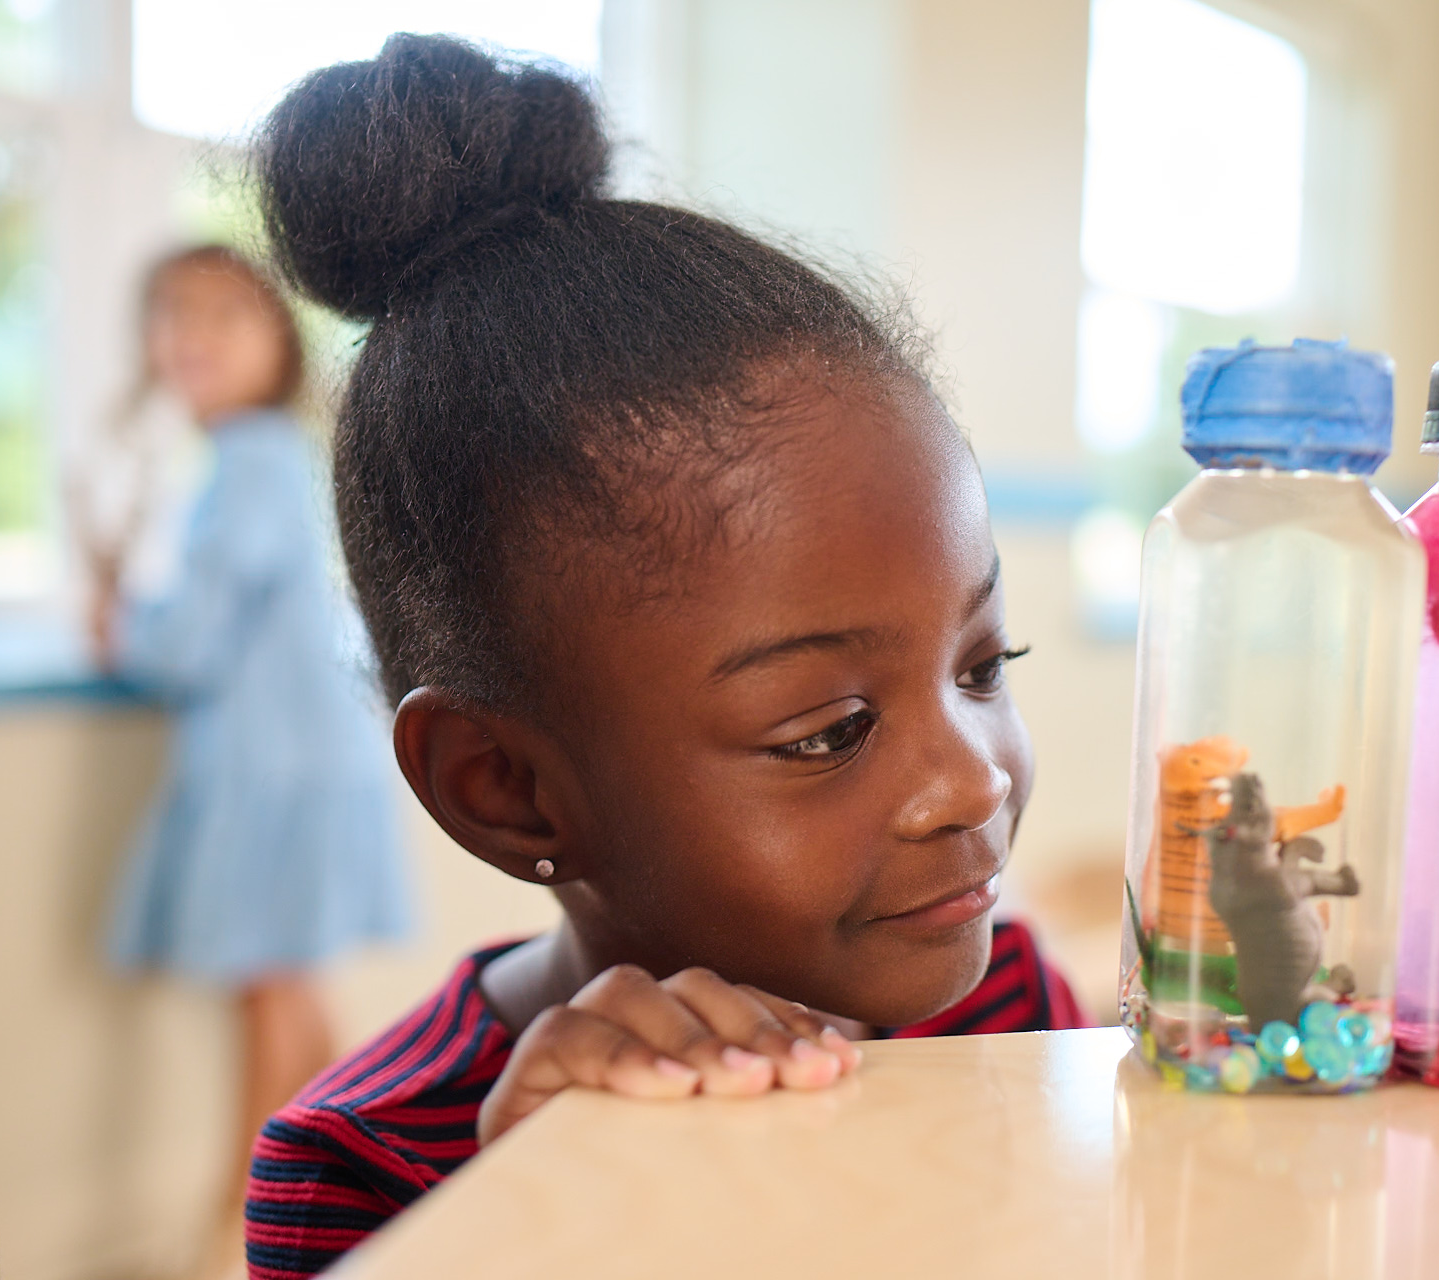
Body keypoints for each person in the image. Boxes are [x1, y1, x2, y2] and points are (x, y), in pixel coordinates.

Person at [240, 34, 1088, 1279]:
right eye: (828, 728)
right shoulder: (373, 1165)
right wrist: (543, 1230)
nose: (976, 783)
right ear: (502, 783)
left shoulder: (1004, 1004)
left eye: (980, 663)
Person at [90, 245, 414, 1278]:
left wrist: (118, 627)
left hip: (275, 771)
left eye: (225, 314)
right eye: (173, 313)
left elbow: (192, 639)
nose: (195, 334)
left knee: (266, 990)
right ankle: (368, 1186)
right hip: (295, 760)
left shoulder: (253, 457)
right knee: (292, 990)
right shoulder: (260, 455)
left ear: (278, 340)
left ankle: (238, 1221)